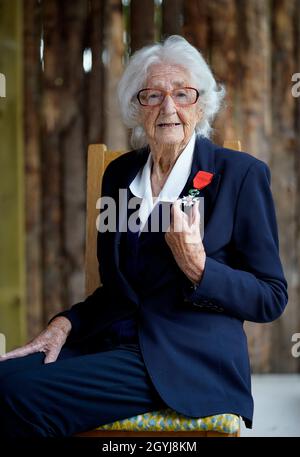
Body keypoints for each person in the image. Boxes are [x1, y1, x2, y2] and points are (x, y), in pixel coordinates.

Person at [0, 35, 288, 437]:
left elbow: (271, 296)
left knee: (15, 394)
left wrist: (200, 267)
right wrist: (65, 323)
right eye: (151, 96)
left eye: (183, 94)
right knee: (6, 380)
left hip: (187, 362)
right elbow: (115, 291)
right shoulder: (119, 177)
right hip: (112, 347)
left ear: (202, 104)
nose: (168, 108)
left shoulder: (239, 176)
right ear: (135, 109)